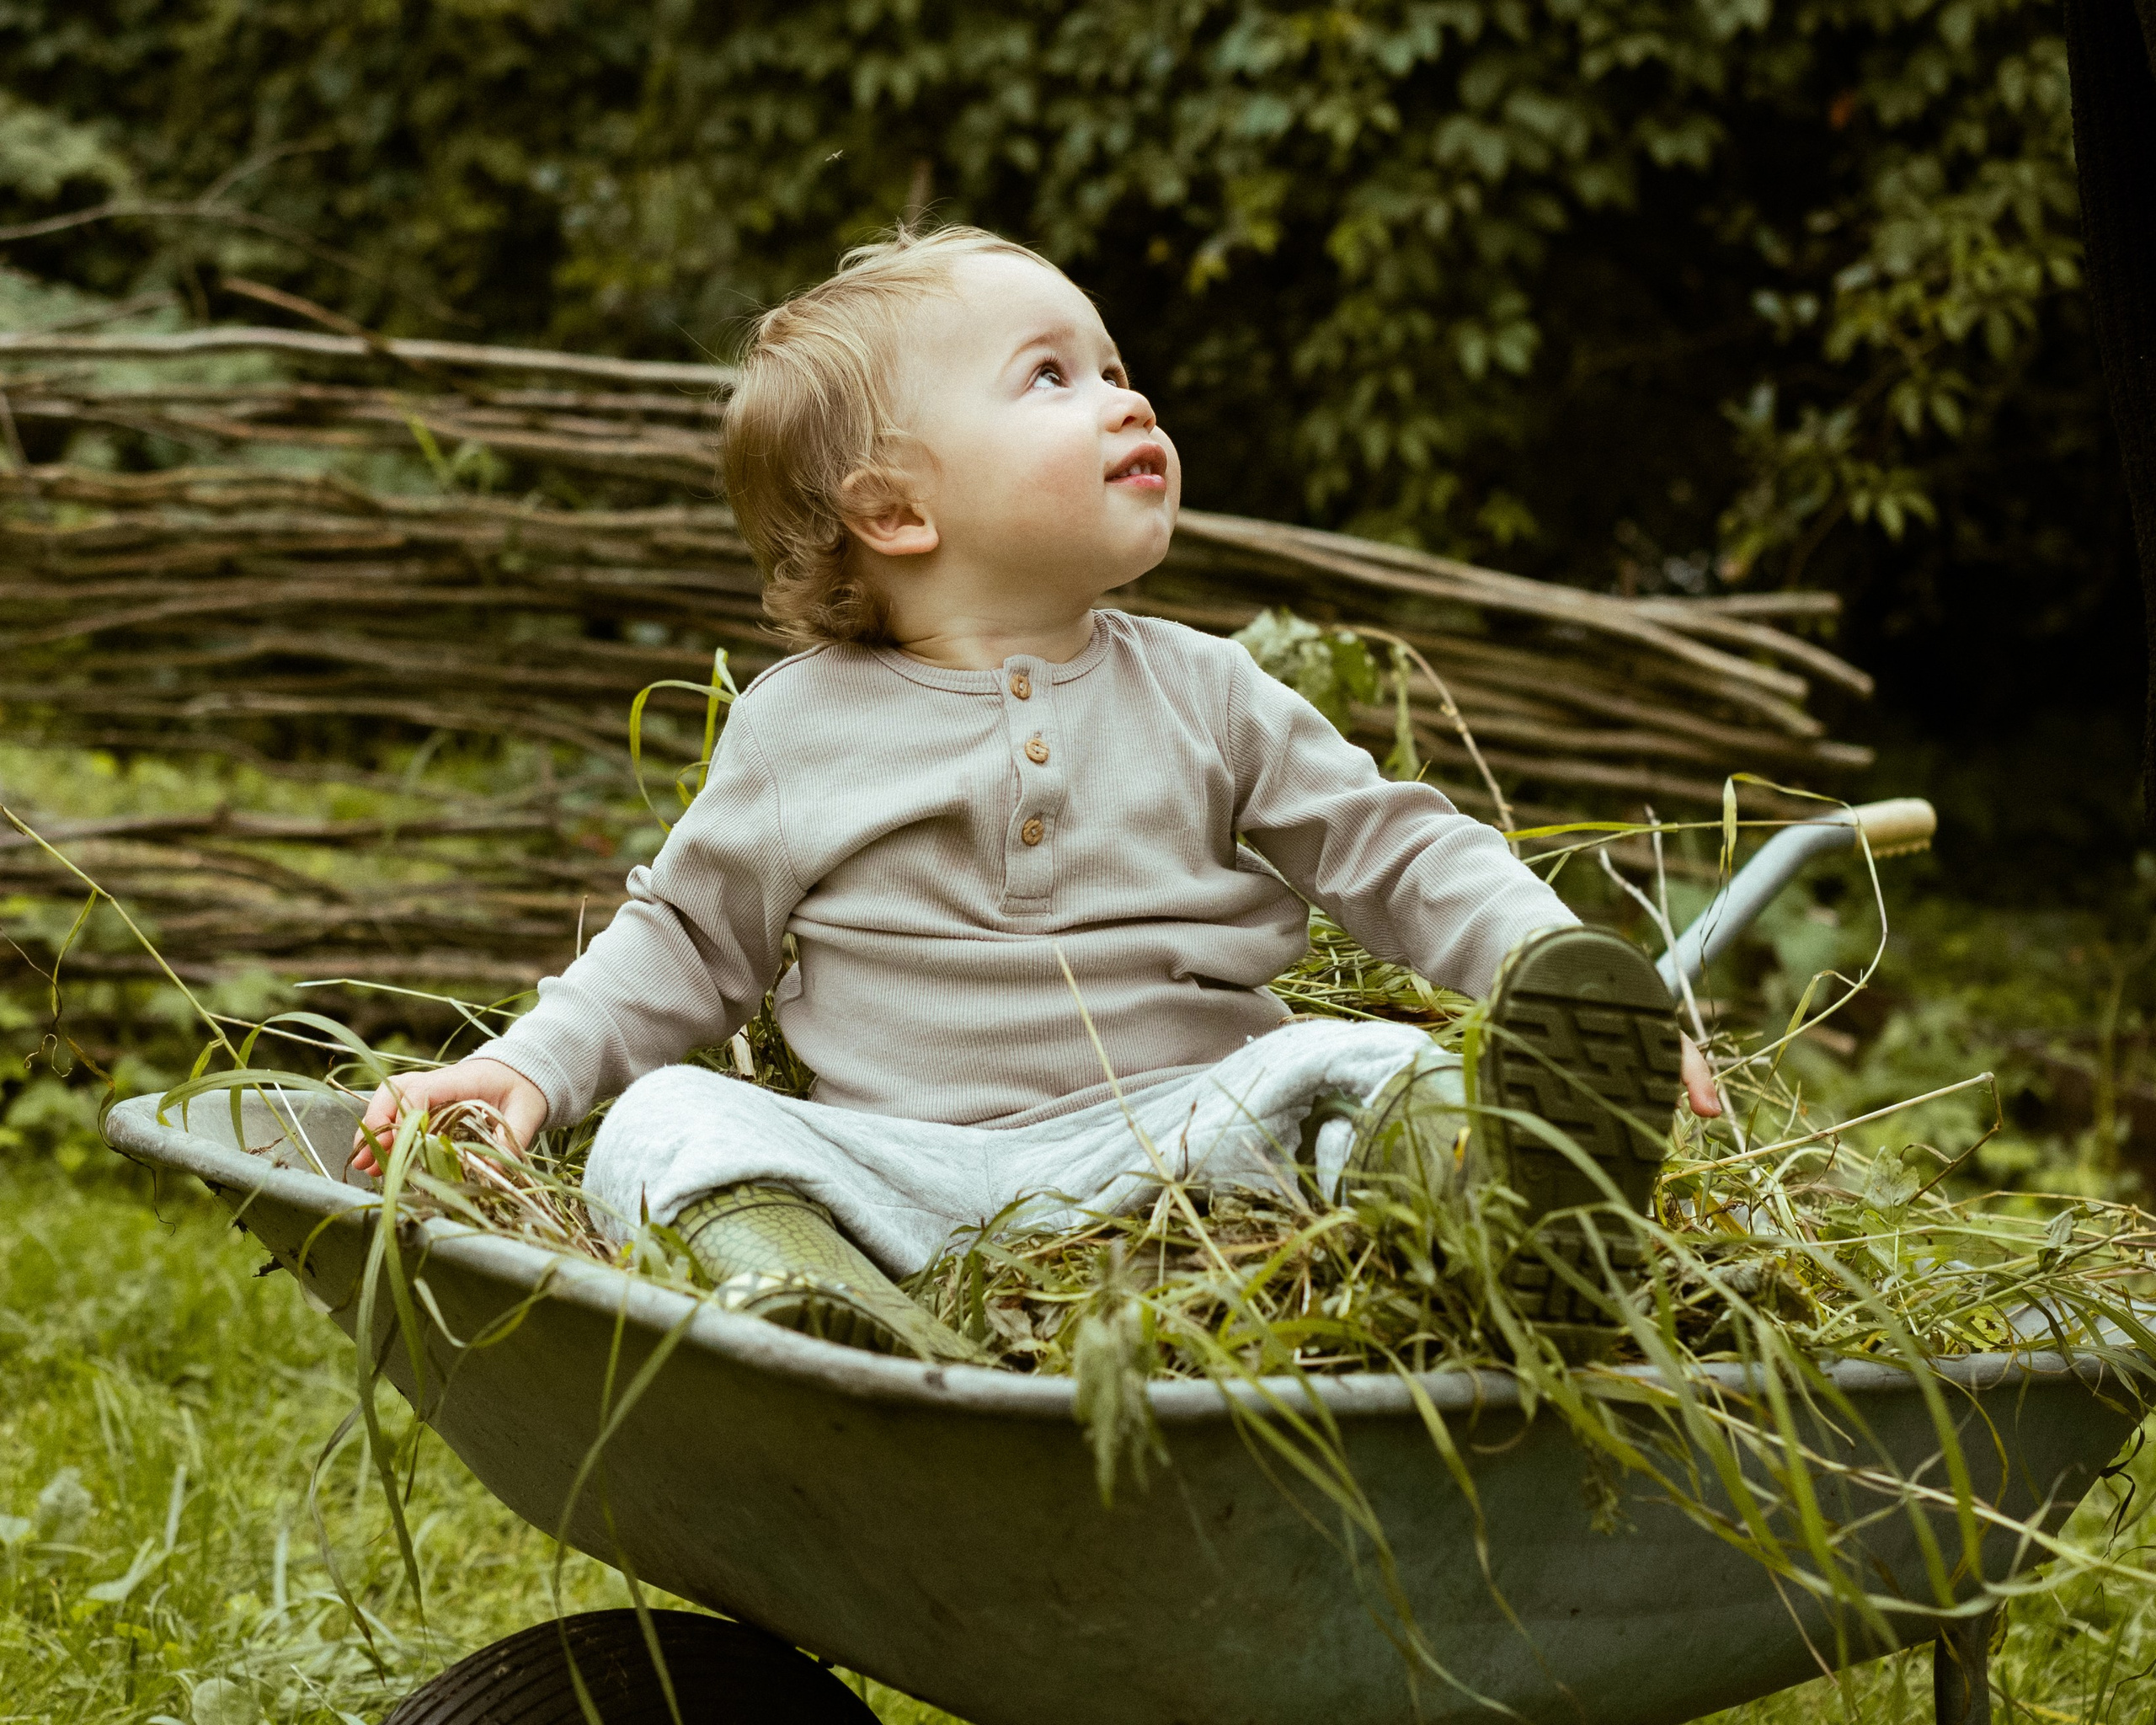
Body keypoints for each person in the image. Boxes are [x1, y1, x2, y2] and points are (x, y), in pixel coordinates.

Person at [353, 225, 1721, 1364]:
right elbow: (686, 941)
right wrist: (527, 1067)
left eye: (1116, 367)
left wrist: (1548, 965)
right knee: (661, 1127)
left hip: (1193, 1147)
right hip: (901, 1175)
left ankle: (1516, 1225)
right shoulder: (798, 730)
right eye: (1052, 376)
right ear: (896, 512)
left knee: (1373, 1070)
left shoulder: (1209, 689)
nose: (1128, 399)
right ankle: (827, 1315)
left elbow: (1394, 848)